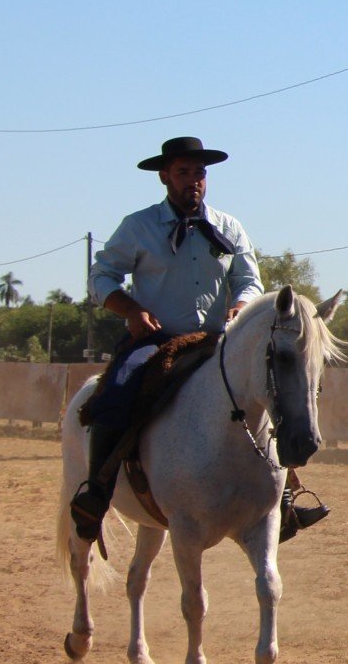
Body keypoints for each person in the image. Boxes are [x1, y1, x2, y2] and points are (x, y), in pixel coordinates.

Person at [69, 135, 328, 540]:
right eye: (184, 173)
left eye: (199, 174)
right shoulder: (138, 227)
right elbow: (101, 276)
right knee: (117, 390)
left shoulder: (229, 227)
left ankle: (283, 497)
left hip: (215, 341)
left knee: (265, 392)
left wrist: (241, 307)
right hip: (155, 341)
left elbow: (248, 281)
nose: (194, 181)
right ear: (165, 177)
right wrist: (131, 310)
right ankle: (97, 493)